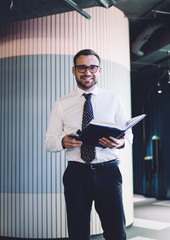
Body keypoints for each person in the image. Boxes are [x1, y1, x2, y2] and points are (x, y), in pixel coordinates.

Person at [45, 49, 133, 240]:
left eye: (92, 67)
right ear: (73, 70)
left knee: (116, 232)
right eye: (82, 67)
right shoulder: (61, 103)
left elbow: (129, 136)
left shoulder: (113, 99)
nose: (87, 72)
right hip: (77, 173)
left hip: (108, 173)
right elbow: (49, 141)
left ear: (99, 70)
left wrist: (120, 142)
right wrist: (62, 141)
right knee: (77, 233)